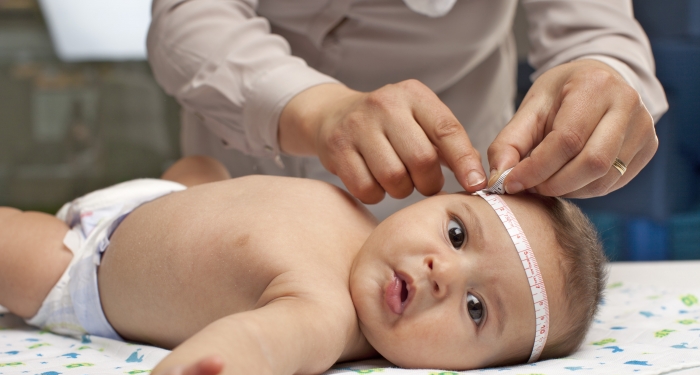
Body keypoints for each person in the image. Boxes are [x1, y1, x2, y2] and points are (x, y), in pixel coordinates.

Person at [0, 156, 607, 375]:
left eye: (476, 310)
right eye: (456, 233)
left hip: (83, 264)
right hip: (166, 199)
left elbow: (254, 350)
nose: (442, 272)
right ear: (443, 198)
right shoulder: (363, 218)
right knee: (203, 169)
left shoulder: (325, 314)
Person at [147, 0, 667, 219]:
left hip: (449, 156)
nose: (436, 274)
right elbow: (191, 15)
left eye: (477, 307)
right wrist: (317, 111)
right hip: (244, 152)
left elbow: (598, 30)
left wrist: (605, 79)